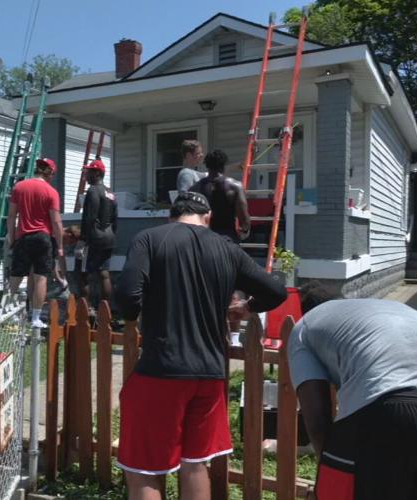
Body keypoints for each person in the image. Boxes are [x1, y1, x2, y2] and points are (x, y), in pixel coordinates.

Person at [116, 191, 288, 500]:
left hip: (161, 370)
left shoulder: (150, 239)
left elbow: (128, 298)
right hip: (210, 374)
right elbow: (275, 291)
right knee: (195, 465)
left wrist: (139, 312)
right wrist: (246, 307)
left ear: (172, 216)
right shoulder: (227, 248)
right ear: (207, 217)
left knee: (144, 470)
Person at [288, 285, 417, 500]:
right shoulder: (398, 309)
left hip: (388, 409)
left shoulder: (304, 326)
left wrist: (329, 467)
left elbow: (317, 416)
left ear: (303, 309)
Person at [6, 158, 64, 328]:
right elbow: (56, 222)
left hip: (23, 237)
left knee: (15, 277)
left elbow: (11, 216)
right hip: (42, 238)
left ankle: (8, 312)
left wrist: (12, 238)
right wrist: (60, 246)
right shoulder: (51, 192)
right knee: (40, 278)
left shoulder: (19, 187)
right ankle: (35, 318)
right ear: (50, 173)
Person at [76, 159, 118, 304]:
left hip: (93, 238)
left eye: (89, 172)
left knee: (83, 273)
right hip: (109, 238)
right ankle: (104, 310)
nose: (86, 175)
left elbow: (89, 217)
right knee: (104, 273)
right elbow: (115, 218)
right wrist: (111, 233)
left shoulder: (93, 190)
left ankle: (85, 310)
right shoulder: (110, 193)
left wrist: (82, 240)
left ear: (97, 173)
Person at [189, 148, 250, 242]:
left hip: (203, 239)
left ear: (207, 165)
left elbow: (190, 216)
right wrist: (245, 231)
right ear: (223, 165)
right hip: (226, 238)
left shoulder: (195, 188)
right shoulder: (235, 186)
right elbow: (243, 218)